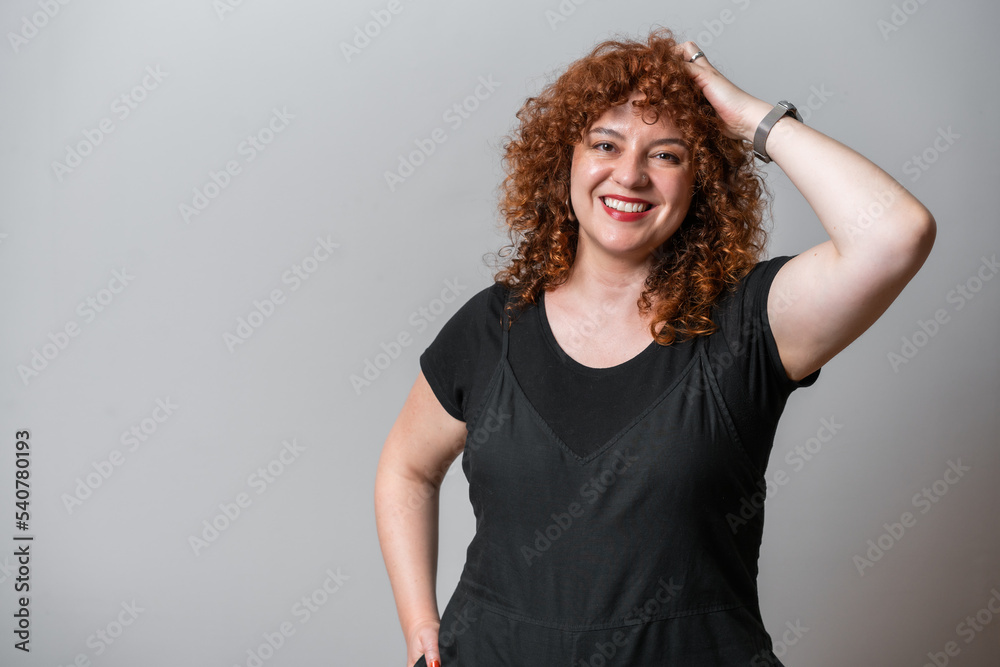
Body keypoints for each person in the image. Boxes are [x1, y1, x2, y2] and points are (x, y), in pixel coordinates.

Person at [374, 27, 935, 666]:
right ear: (564, 161)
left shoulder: (748, 325)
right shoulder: (490, 326)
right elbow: (407, 469)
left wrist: (749, 117)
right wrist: (420, 623)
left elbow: (896, 234)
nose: (630, 174)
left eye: (666, 154)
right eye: (605, 144)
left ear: (703, 180)